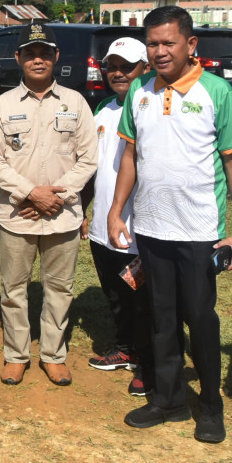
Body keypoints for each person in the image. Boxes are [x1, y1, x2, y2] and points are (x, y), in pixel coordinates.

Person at [107, 5, 232, 444]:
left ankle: (210, 406)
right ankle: (167, 400)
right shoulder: (140, 92)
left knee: (199, 317)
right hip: (152, 227)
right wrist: (117, 210)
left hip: (199, 231)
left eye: (168, 42)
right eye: (152, 43)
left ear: (191, 45)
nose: (160, 51)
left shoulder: (216, 92)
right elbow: (129, 157)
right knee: (161, 318)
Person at [0, 21, 97, 387]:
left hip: (62, 214)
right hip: (18, 213)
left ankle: (53, 354)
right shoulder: (2, 104)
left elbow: (89, 159)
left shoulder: (76, 103)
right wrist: (31, 193)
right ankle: (16, 356)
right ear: (18, 58)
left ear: (55, 57)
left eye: (44, 53)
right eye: (30, 53)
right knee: (14, 289)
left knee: (60, 288)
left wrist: (54, 196)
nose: (37, 59)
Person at [82, 37, 156, 397]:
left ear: (145, 67)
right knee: (115, 293)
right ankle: (126, 346)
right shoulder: (103, 111)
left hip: (139, 229)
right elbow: (94, 169)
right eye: (112, 66)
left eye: (127, 66)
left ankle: (146, 359)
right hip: (102, 227)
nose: (118, 73)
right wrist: (85, 210)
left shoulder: (152, 109)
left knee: (141, 296)